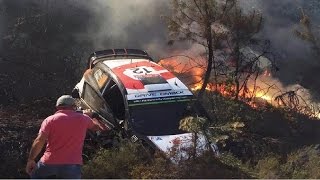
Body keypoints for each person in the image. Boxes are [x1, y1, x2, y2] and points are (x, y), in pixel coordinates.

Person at [25, 95, 109, 179]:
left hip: (49, 163)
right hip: (72, 165)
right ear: (74, 106)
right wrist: (92, 115)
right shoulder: (84, 119)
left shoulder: (49, 120)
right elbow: (101, 128)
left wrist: (31, 159)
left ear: (57, 107)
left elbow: (39, 140)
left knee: (35, 175)